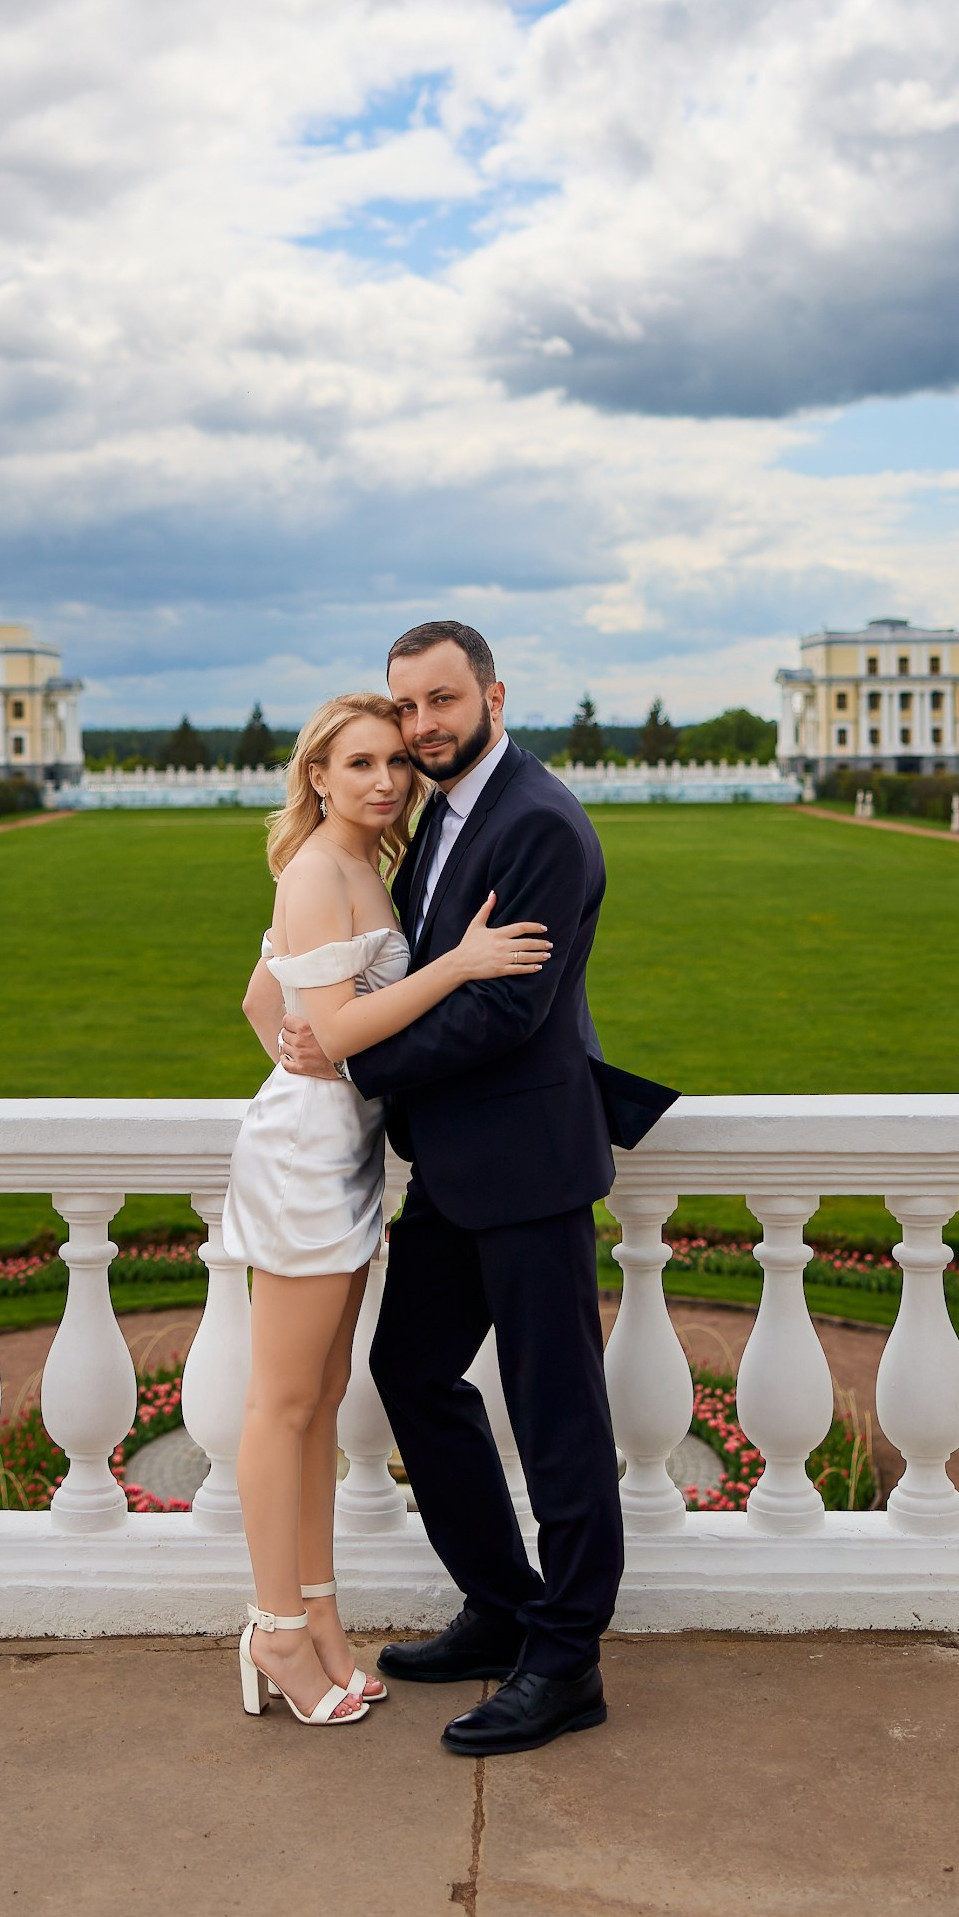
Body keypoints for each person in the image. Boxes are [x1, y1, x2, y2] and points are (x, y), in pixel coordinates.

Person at [276, 620, 634, 1757]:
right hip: (457, 1163)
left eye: (441, 701)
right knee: (412, 1373)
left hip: (525, 1164)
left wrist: (350, 1057)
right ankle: (501, 1605)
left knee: (556, 1411)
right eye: (406, 707)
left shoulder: (535, 820)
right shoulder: (443, 811)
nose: (422, 726)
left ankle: (567, 1657)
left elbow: (504, 1010)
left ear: (490, 691)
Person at [226, 691, 552, 1729]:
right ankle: (276, 1630)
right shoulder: (321, 869)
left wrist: (307, 1051)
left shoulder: (363, 864)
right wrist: (456, 965)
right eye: (357, 762)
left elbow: (261, 1003)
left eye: (394, 764)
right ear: (316, 774)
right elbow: (336, 1024)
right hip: (304, 1162)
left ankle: (319, 1619)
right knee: (283, 1405)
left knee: (320, 1398)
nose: (383, 780)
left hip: (345, 1151)